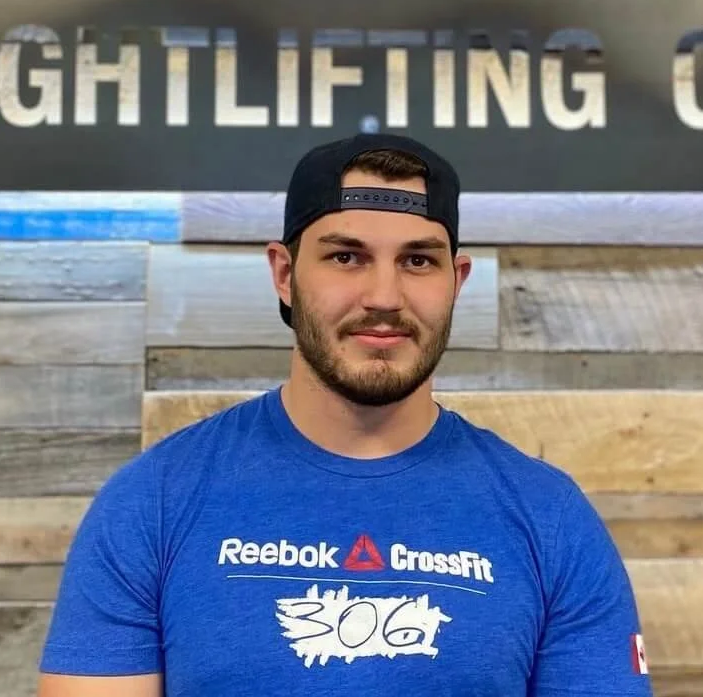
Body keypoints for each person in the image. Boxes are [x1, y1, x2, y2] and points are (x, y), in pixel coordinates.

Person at [36, 132, 654, 696]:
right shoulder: (155, 501)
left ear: (456, 280)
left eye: (418, 261)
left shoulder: (550, 517)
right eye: (346, 257)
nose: (384, 297)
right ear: (284, 274)